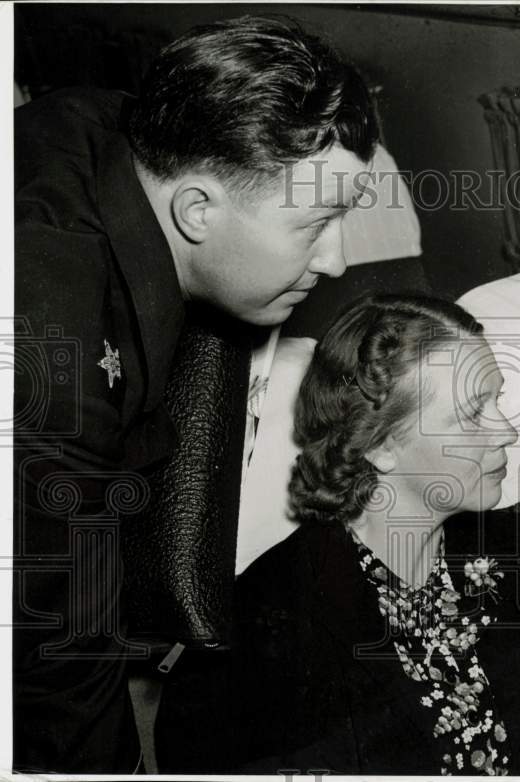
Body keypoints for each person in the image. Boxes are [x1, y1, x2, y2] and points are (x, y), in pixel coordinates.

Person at [13, 15, 378, 773]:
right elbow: (59, 657)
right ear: (197, 211)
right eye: (316, 224)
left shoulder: (100, 118)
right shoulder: (55, 372)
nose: (338, 261)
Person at [204, 294, 520, 775]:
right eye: (471, 414)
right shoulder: (270, 616)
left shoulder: (517, 548)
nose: (507, 432)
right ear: (378, 445)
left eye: (496, 400)